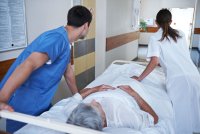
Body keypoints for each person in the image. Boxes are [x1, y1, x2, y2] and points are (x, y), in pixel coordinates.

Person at [0, 5, 92, 133]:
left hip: (41, 102)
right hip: (24, 105)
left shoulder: (65, 42)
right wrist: (1, 99)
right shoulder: (57, 39)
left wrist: (78, 97)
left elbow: (68, 72)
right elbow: (29, 64)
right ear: (86, 26)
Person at [132, 9, 200, 134]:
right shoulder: (181, 34)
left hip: (177, 80)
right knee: (196, 108)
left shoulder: (155, 38)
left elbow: (154, 62)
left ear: (157, 22)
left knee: (181, 114)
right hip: (195, 74)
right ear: (171, 21)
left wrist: (139, 78)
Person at [66, 85, 158, 131]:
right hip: (127, 90)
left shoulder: (74, 113)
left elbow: (76, 97)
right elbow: (154, 119)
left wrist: (94, 89)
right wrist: (134, 94)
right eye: (96, 105)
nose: (93, 101)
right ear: (103, 122)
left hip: (102, 87)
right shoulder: (122, 116)